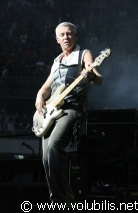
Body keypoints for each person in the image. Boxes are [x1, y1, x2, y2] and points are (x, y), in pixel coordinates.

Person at [34, 22, 102, 204]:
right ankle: (63, 197)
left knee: (54, 145)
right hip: (53, 111)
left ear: (76, 36)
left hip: (72, 109)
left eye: (69, 34)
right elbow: (46, 88)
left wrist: (91, 76)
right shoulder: (56, 62)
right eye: (62, 35)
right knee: (46, 156)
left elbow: (99, 79)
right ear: (57, 39)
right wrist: (40, 97)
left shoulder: (84, 54)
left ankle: (59, 199)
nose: (66, 37)